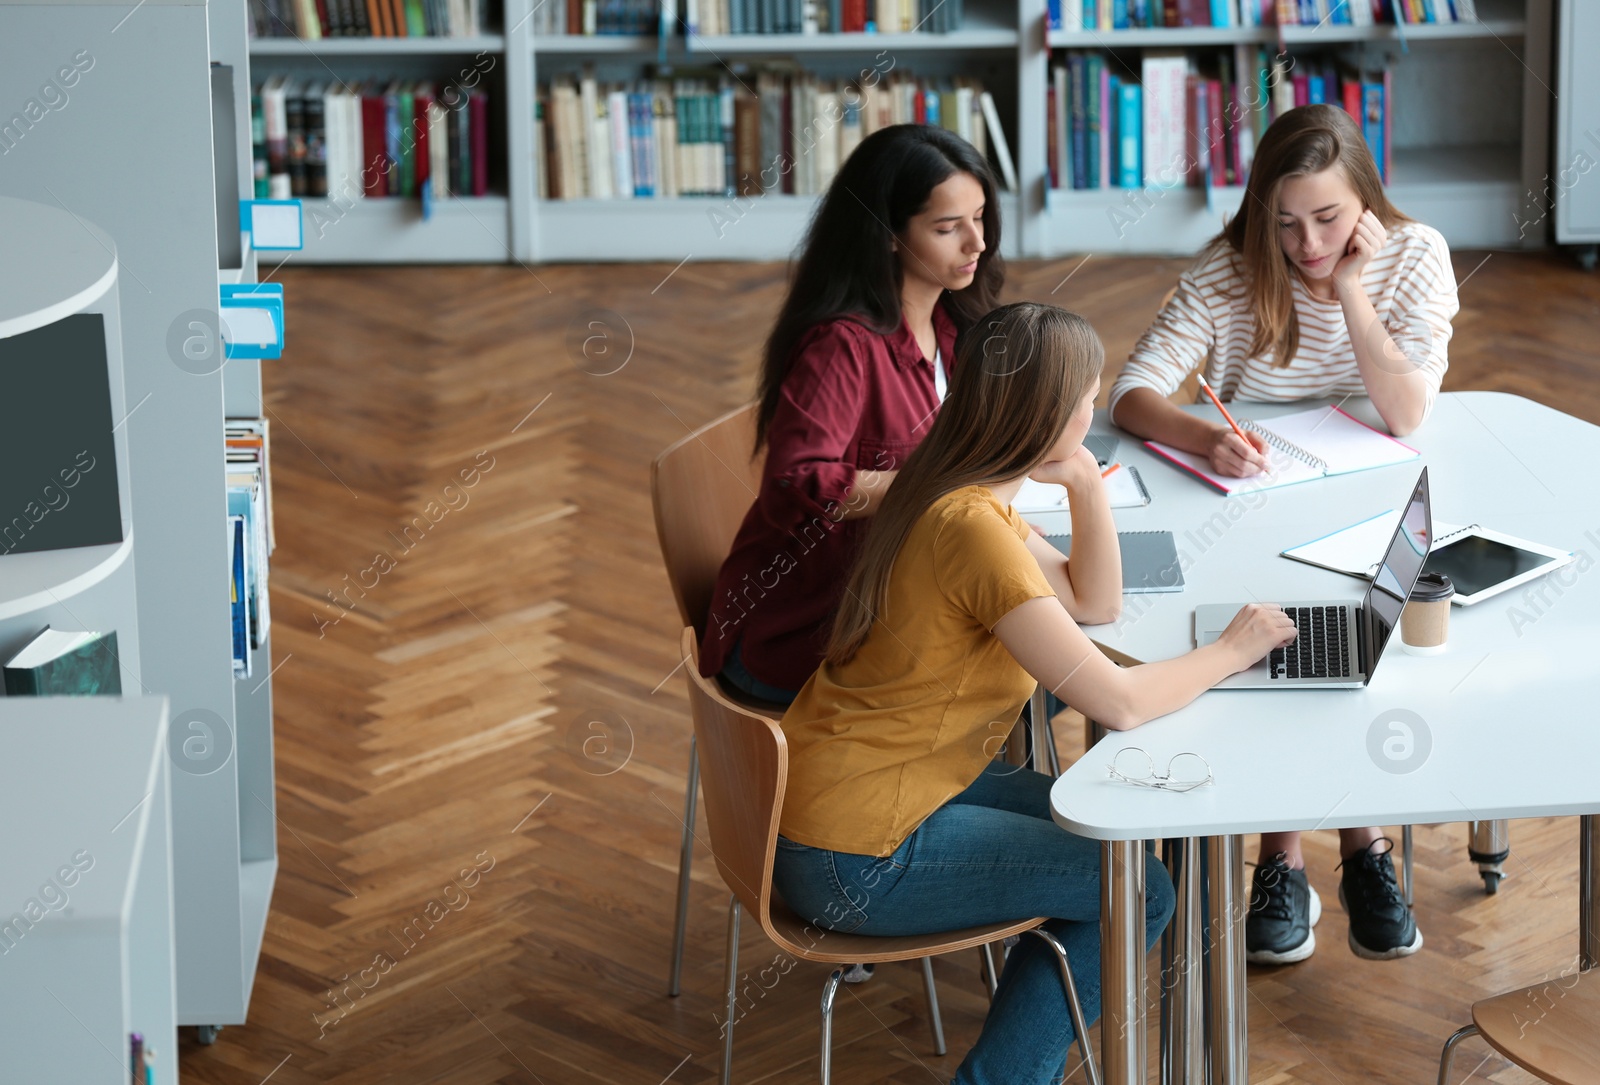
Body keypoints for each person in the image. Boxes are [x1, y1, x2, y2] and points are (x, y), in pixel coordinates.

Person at [773, 301, 1298, 1085]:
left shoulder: (952, 488)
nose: (1095, 410)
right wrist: (1230, 651)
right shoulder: (974, 529)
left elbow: (1096, 601)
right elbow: (1116, 701)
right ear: (1051, 414)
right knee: (1139, 891)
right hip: (858, 853)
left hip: (859, 790)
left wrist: (1084, 478)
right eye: (1088, 400)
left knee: (1111, 833)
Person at [1109, 103, 1460, 964]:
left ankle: (1362, 845)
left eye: (1330, 219)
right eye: (1286, 223)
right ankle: (1283, 854)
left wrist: (1349, 290)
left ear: (1366, 202)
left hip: (1377, 496)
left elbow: (1406, 410)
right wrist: (1205, 432)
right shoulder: (1227, 275)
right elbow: (1132, 393)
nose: (1307, 244)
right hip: (1256, 499)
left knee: (1360, 631)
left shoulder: (1415, 256)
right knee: (1276, 634)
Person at [699, 123, 1002, 709]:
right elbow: (795, 485)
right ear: (888, 235)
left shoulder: (954, 327)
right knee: (1033, 672)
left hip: (891, 607)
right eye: (947, 228)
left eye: (980, 217)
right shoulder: (840, 346)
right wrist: (934, 488)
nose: (976, 244)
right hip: (803, 644)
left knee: (1042, 659)